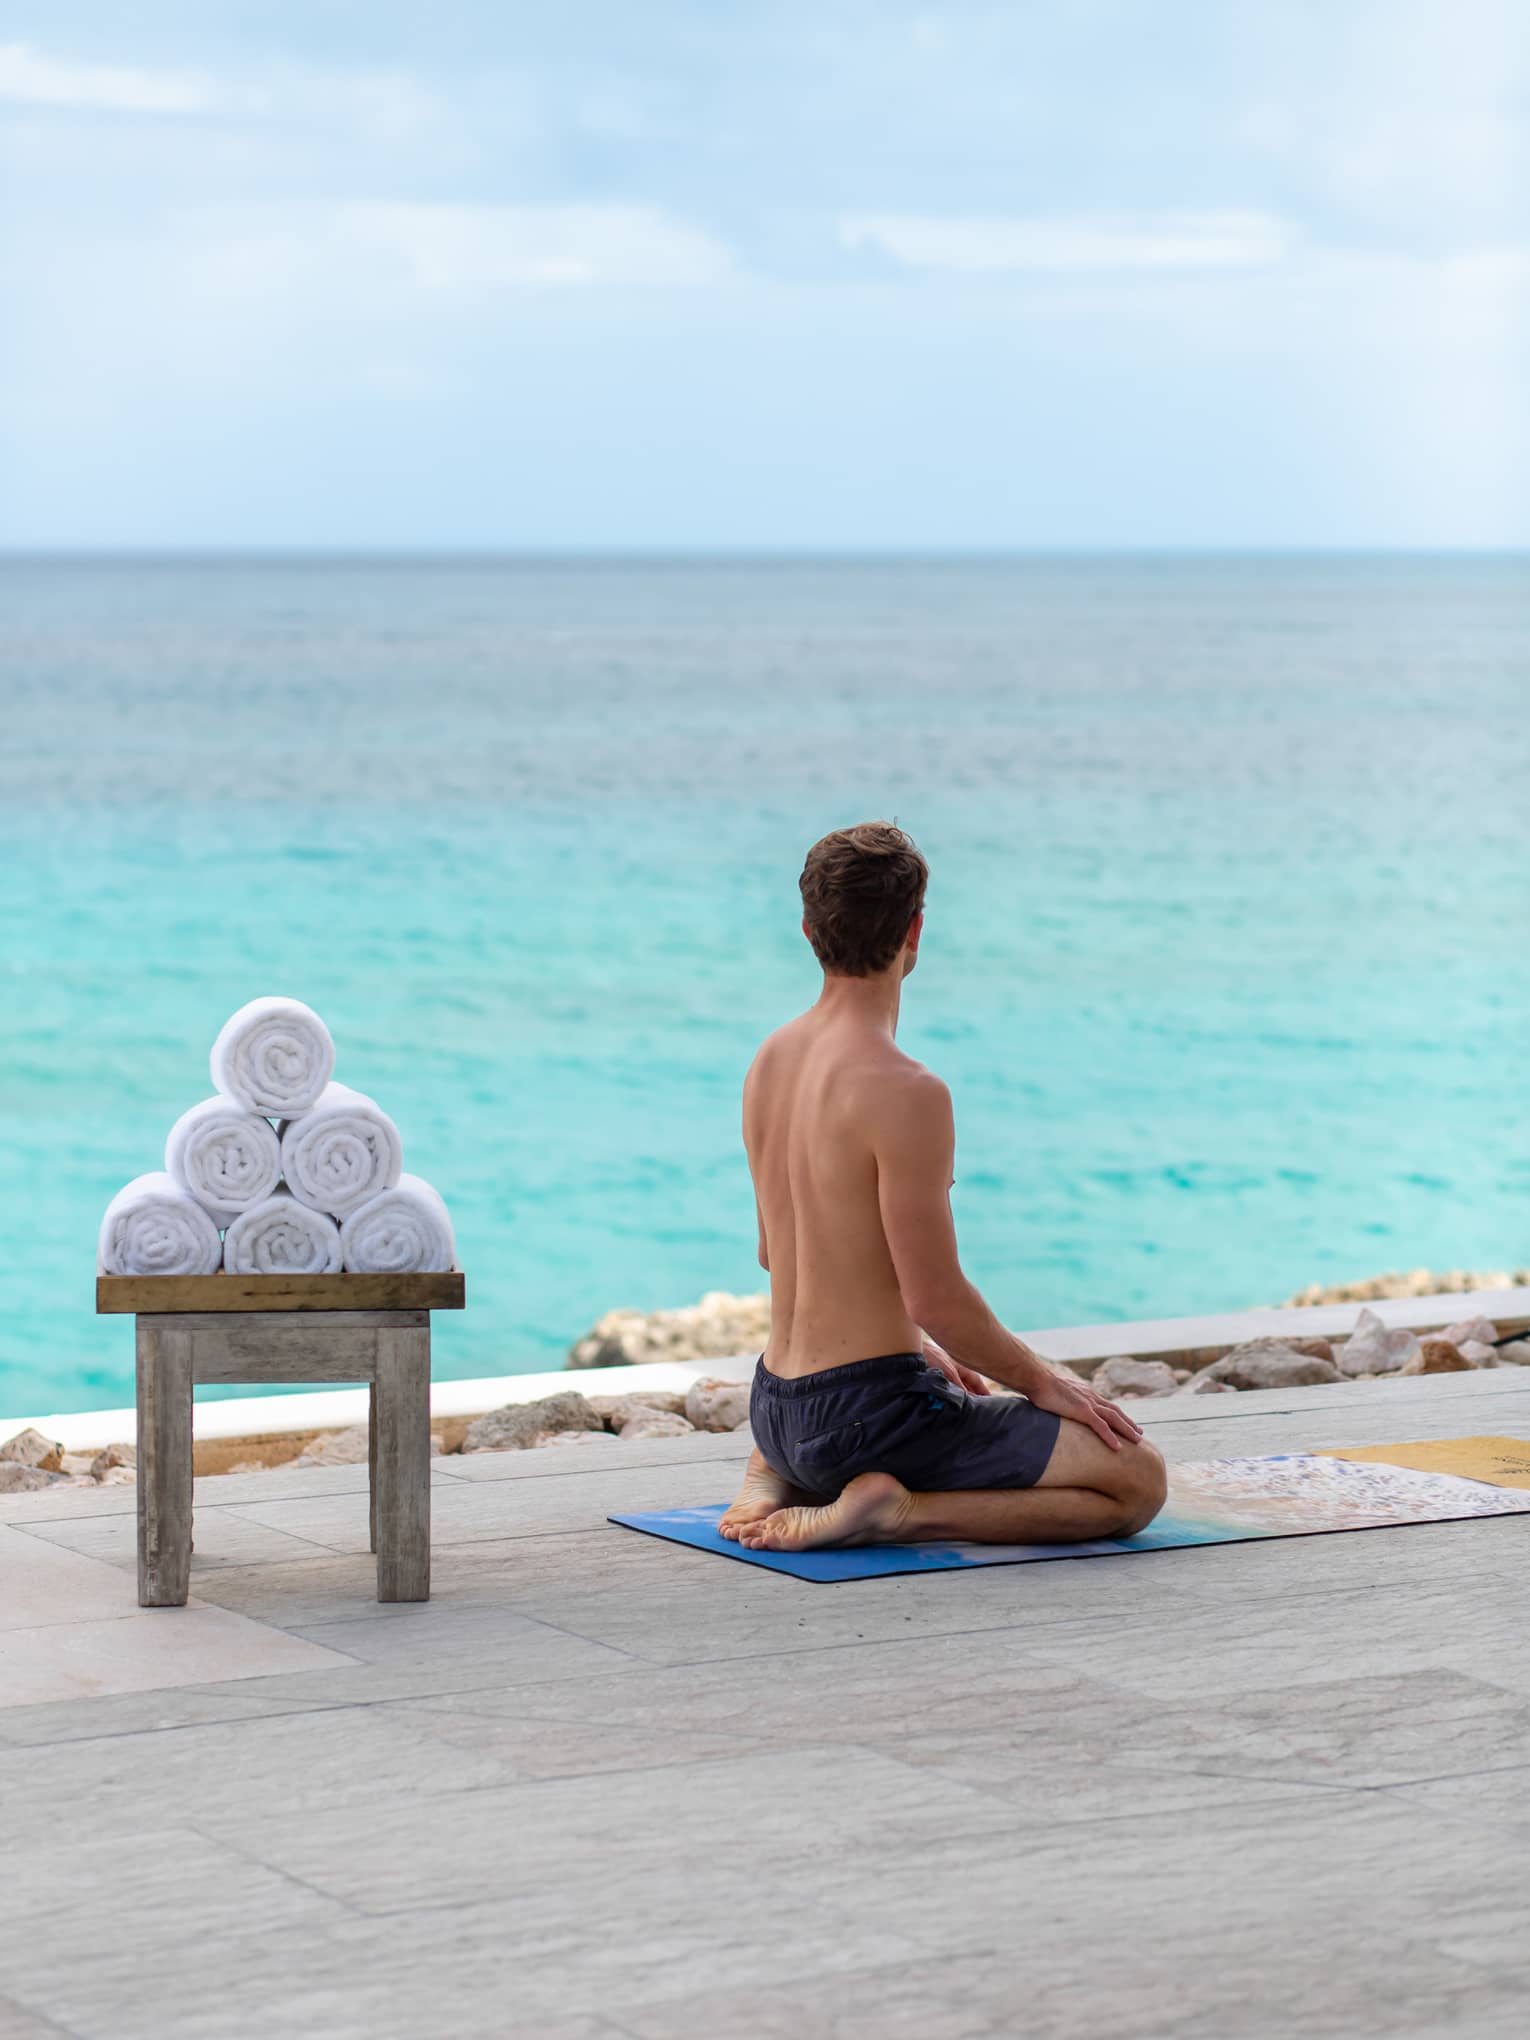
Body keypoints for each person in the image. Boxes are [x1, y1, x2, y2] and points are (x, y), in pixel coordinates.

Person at [720, 820, 1168, 1553]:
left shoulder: (770, 1060)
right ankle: (894, 1512)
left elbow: (777, 1253)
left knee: (922, 1383)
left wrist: (915, 1349)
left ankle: (780, 1469)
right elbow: (936, 1299)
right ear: (915, 931)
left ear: (808, 931)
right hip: (870, 1420)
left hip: (774, 1405)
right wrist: (1044, 1383)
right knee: (1138, 1480)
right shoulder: (906, 1090)